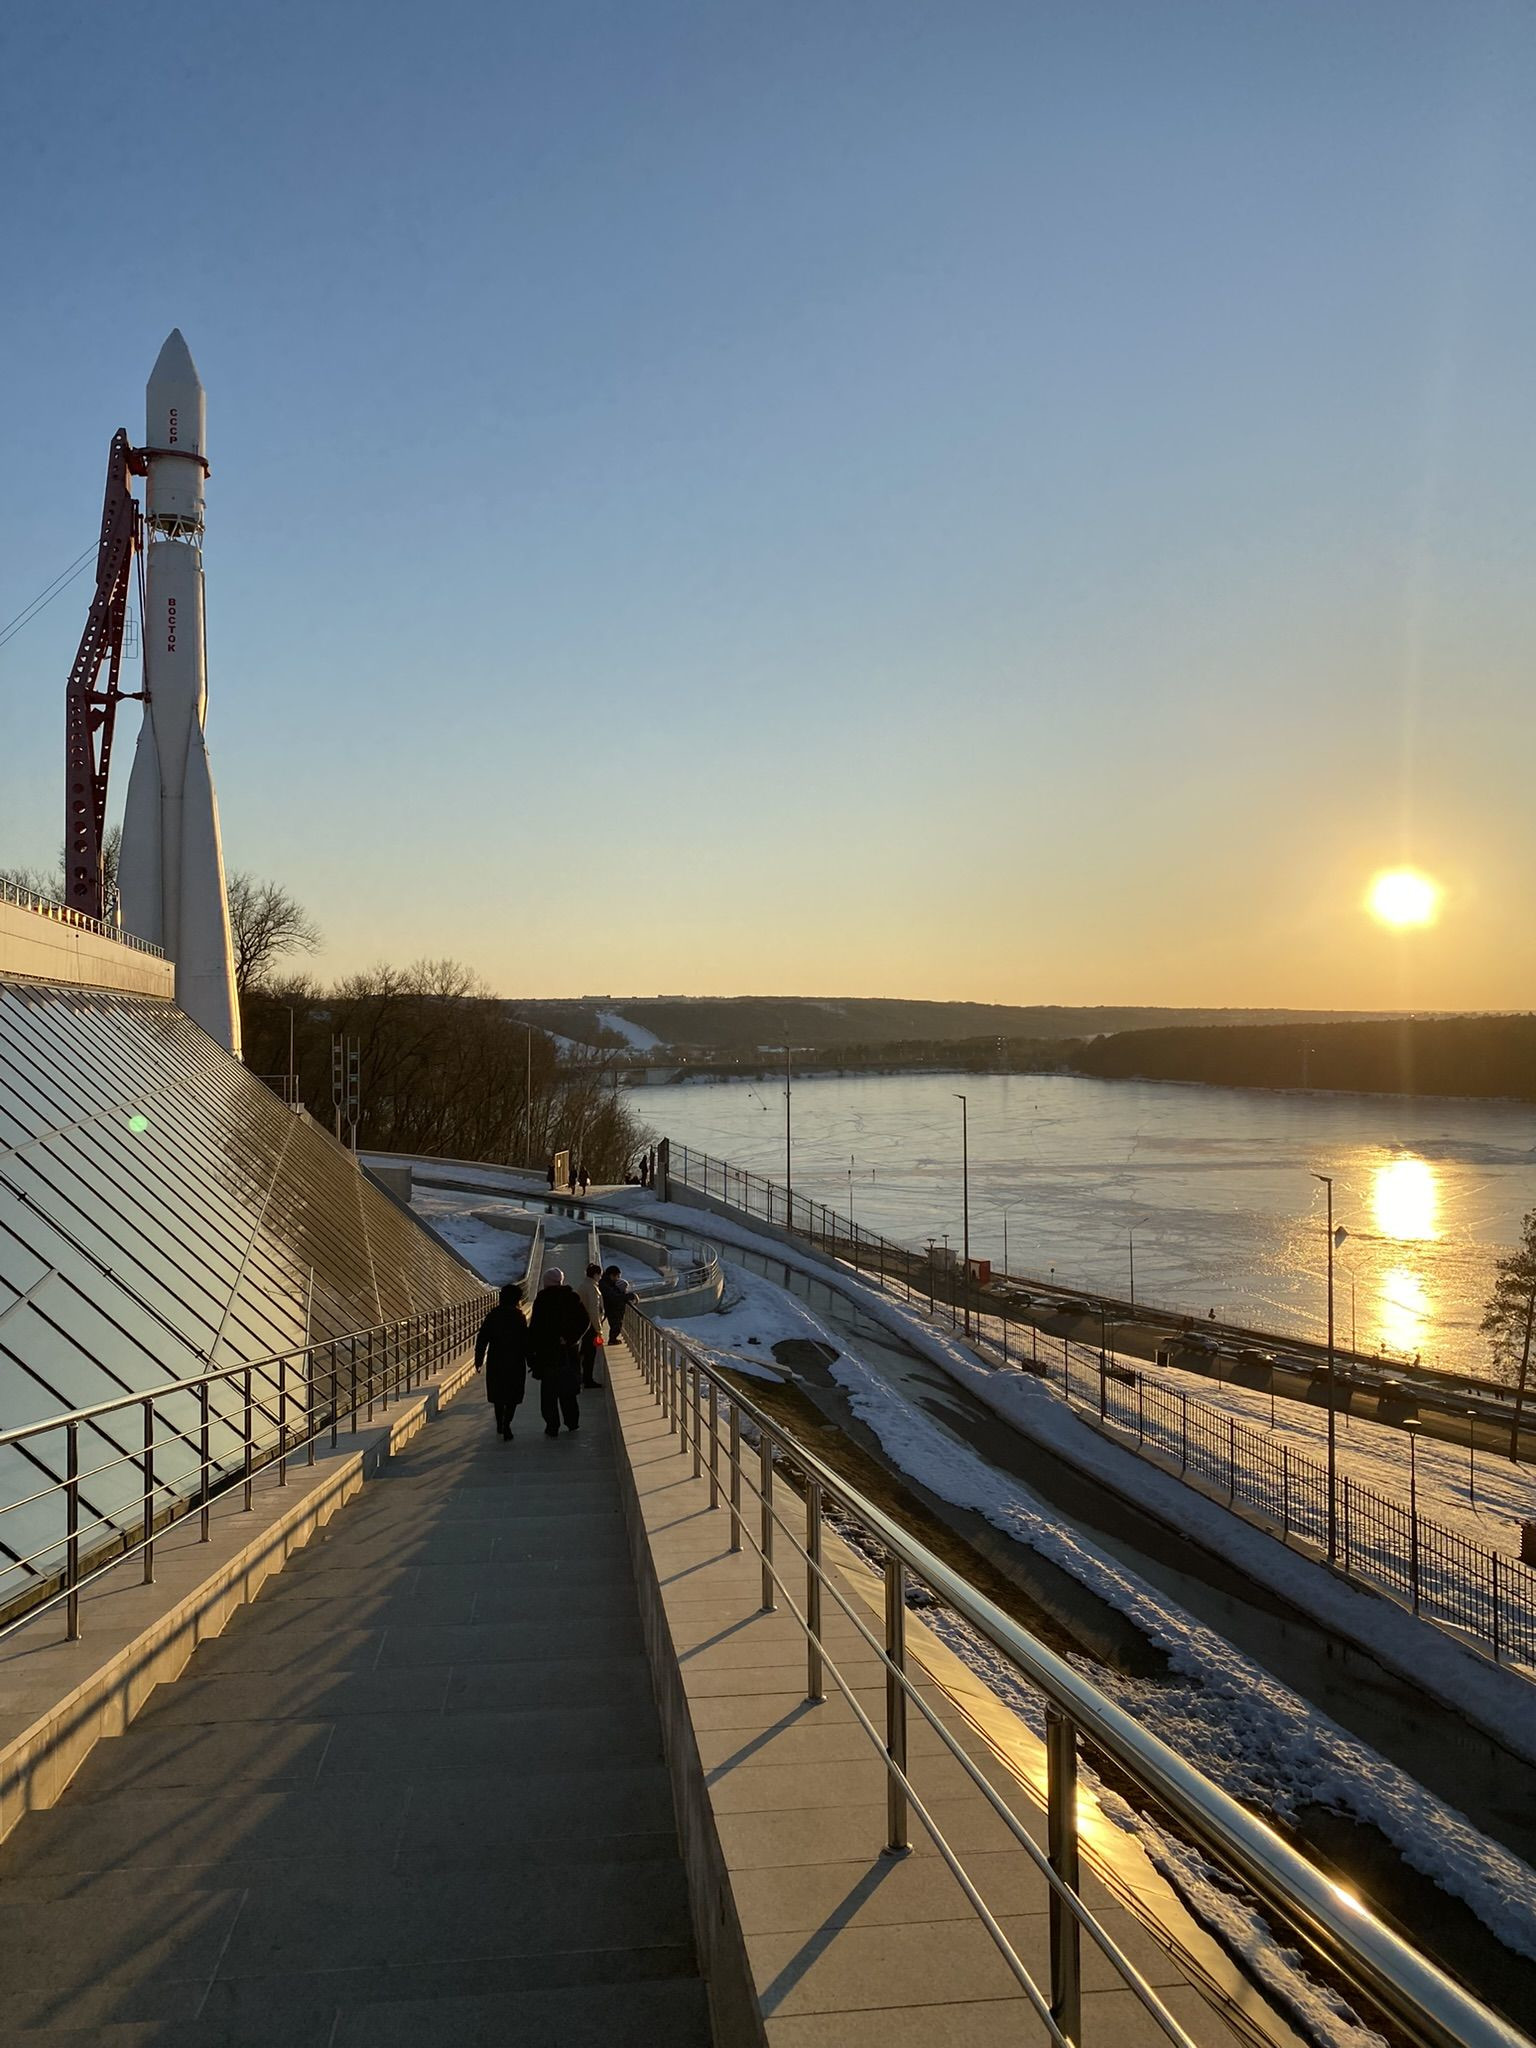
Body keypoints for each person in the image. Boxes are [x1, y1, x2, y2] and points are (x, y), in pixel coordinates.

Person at [528, 1267, 591, 1436]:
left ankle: (552, 1426)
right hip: (569, 1352)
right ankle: (572, 1423)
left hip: (547, 1353)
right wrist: (571, 1338)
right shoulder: (572, 1297)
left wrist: (532, 1352)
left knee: (549, 1394)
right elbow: (585, 1320)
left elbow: (534, 1328)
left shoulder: (542, 1299)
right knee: (568, 1391)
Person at [474, 1283, 528, 1440]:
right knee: (513, 1394)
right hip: (515, 1360)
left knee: (498, 1394)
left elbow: (482, 1338)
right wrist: (531, 1359)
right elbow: (525, 1340)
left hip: (496, 1359)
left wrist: (478, 1359)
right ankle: (507, 1422)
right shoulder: (519, 1316)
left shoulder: (493, 1315)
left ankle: (500, 1422)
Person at [577, 1263, 606, 1387]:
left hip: (583, 1323)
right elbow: (594, 1309)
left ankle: (583, 1376)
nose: (600, 1277)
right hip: (590, 1326)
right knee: (590, 1353)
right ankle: (588, 1379)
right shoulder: (592, 1288)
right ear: (595, 1274)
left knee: (584, 1352)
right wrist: (598, 1329)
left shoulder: (584, 1285)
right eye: (600, 1275)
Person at [600, 1263, 636, 1345]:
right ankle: (612, 1340)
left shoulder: (607, 1283)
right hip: (610, 1309)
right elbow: (614, 1297)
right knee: (615, 1324)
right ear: (612, 1276)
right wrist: (629, 1296)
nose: (618, 1278)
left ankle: (612, 1339)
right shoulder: (605, 1285)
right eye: (618, 1276)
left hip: (608, 1309)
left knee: (615, 1324)